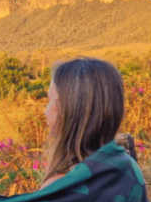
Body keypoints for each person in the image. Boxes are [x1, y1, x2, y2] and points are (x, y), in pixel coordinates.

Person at [40, 57, 125, 189]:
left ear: (67, 110)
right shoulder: (125, 167)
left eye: (49, 99)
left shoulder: (60, 186)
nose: (45, 110)